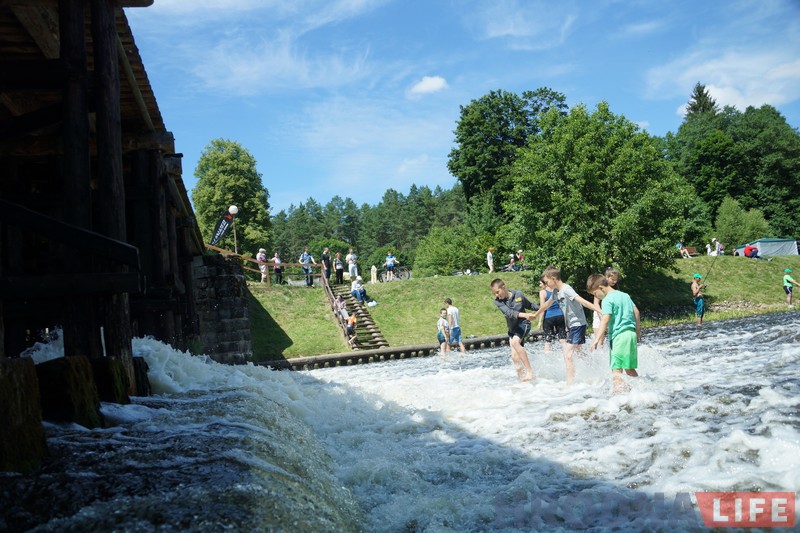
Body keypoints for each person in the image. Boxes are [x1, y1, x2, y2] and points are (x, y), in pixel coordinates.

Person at [538, 266, 602, 385]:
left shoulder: (566, 289)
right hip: (572, 326)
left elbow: (582, 301)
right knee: (577, 352)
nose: (546, 285)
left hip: (578, 324)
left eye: (547, 282)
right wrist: (535, 314)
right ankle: (595, 368)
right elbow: (547, 303)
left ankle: (570, 384)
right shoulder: (556, 292)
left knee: (567, 354)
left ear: (553, 278)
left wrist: (599, 311)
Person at [586, 274, 641, 394]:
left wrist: (596, 339)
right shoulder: (624, 295)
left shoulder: (607, 300)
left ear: (601, 288)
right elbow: (636, 312)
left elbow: (605, 320)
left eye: (595, 294)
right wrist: (637, 332)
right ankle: (641, 391)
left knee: (616, 370)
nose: (596, 297)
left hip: (619, 336)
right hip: (630, 334)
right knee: (629, 368)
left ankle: (618, 398)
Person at [491, 278, 538, 381]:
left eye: (497, 292)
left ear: (503, 287)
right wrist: (526, 314)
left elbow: (530, 305)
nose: (497, 295)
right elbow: (510, 313)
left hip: (523, 324)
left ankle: (530, 372)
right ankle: (522, 380)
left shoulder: (518, 295)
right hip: (512, 330)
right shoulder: (498, 302)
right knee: (514, 358)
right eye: (495, 293)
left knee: (516, 343)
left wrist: (541, 308)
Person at [537, 277, 565, 352]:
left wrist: (540, 322)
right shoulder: (556, 290)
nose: (539, 285)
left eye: (540, 283)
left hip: (548, 317)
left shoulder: (542, 292)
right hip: (560, 316)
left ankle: (547, 358)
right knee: (562, 339)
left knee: (548, 340)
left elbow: (543, 308)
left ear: (545, 283)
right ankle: (568, 355)